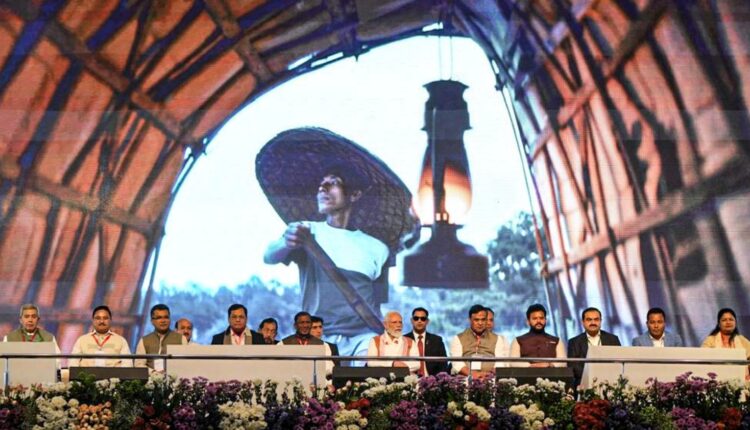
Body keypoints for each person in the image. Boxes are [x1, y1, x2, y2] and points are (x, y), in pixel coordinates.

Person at [258, 129, 413, 357]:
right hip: (317, 336)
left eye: (333, 183)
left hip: (363, 337)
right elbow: (269, 256)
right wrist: (287, 243)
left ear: (354, 194)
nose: (322, 188)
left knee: (374, 371)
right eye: (321, 185)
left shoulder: (378, 248)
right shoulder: (307, 231)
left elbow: (377, 303)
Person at [449, 305, 509, 378]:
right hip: (464, 378)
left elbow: (500, 363)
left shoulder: (497, 339)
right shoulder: (458, 338)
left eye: (483, 320)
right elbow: (457, 364)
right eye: (476, 320)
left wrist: (487, 376)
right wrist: (474, 375)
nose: (480, 323)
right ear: (469, 320)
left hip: (490, 378)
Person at [567, 307, 621, 386]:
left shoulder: (613, 339)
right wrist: (593, 376)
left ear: (600, 321)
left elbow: (618, 364)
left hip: (610, 382)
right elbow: (573, 367)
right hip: (584, 383)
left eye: (596, 319)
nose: (593, 322)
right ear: (583, 322)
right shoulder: (574, 342)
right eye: (589, 320)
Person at [135, 304, 187, 371]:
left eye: (166, 317)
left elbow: (185, 364)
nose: (163, 321)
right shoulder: (144, 340)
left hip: (174, 376)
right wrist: (153, 373)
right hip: (150, 376)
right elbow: (138, 364)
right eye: (159, 318)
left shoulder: (181, 339)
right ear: (152, 321)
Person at [404, 307, 449, 376]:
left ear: (427, 321)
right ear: (412, 320)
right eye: (416, 318)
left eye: (423, 318)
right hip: (409, 378)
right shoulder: (404, 340)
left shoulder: (437, 340)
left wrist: (436, 380)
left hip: (432, 380)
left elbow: (443, 364)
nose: (419, 321)